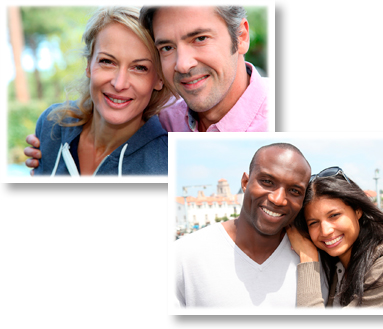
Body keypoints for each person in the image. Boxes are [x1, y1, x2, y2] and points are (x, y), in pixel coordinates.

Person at [175, 143, 329, 307]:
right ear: (245, 182)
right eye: (267, 182)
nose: (278, 199)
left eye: (294, 191)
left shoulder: (318, 261)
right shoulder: (184, 256)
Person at [28, 6, 173, 176]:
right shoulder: (51, 124)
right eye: (107, 61)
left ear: (159, 79)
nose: (119, 84)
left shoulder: (167, 164)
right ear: (88, 64)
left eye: (140, 68)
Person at [286, 167, 383, 307]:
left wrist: (308, 259)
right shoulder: (336, 267)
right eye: (313, 223)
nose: (325, 231)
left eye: (334, 215)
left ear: (357, 210)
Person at [140, 6, 269, 132]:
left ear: (241, 37)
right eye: (167, 48)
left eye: (200, 39)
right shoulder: (162, 122)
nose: (183, 65)